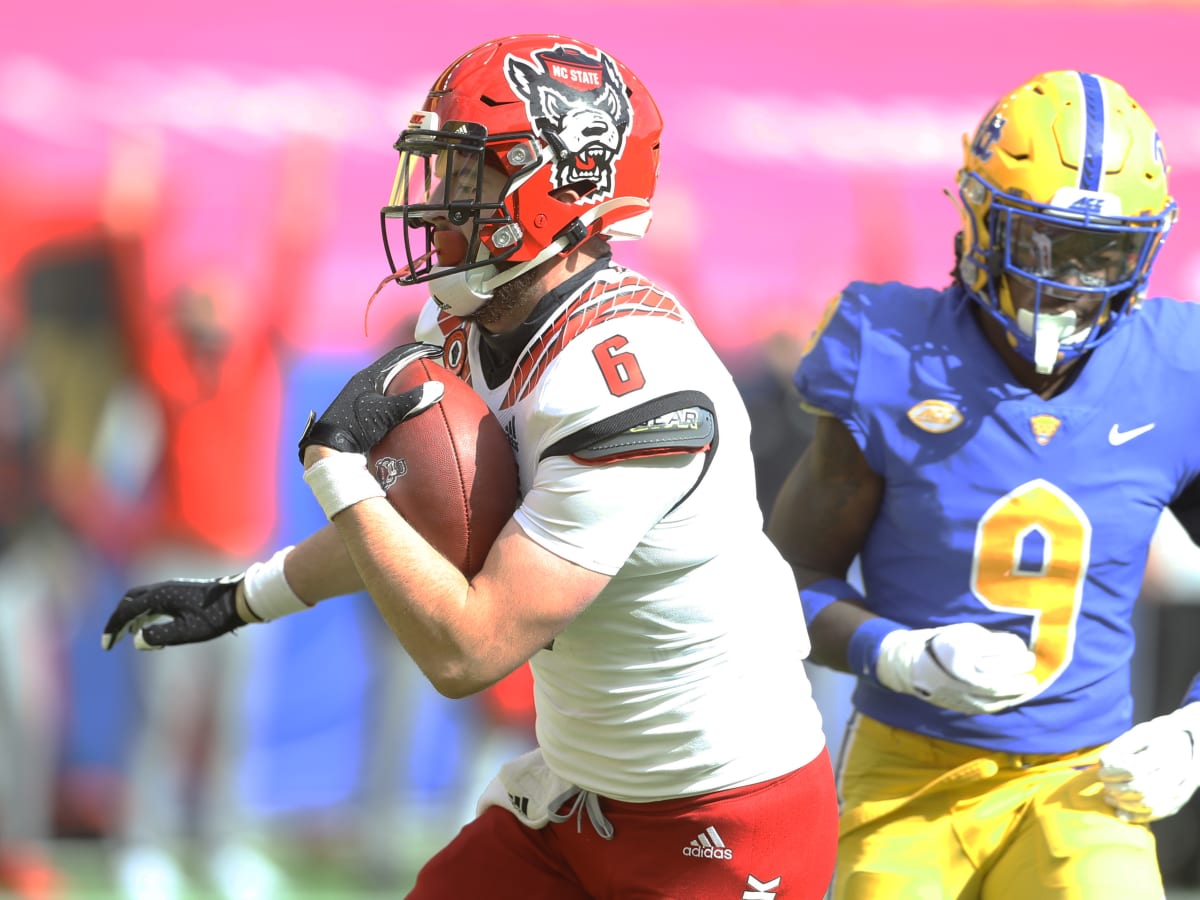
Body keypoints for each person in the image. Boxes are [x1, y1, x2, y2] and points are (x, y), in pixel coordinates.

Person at [102, 34, 837, 899]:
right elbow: (417, 532)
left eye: (471, 173)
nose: (442, 201)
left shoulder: (631, 381)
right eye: (442, 170)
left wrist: (333, 470)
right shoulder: (462, 325)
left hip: (719, 819)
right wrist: (242, 599)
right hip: (580, 798)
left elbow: (471, 650)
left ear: (564, 184)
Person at [766, 69, 1200, 899]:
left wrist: (1195, 733)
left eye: (1101, 252)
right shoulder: (887, 350)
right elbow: (782, 584)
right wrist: (899, 653)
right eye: (1042, 244)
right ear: (977, 221)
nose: (1071, 281)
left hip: (1084, 782)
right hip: (909, 778)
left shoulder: (1175, 368)